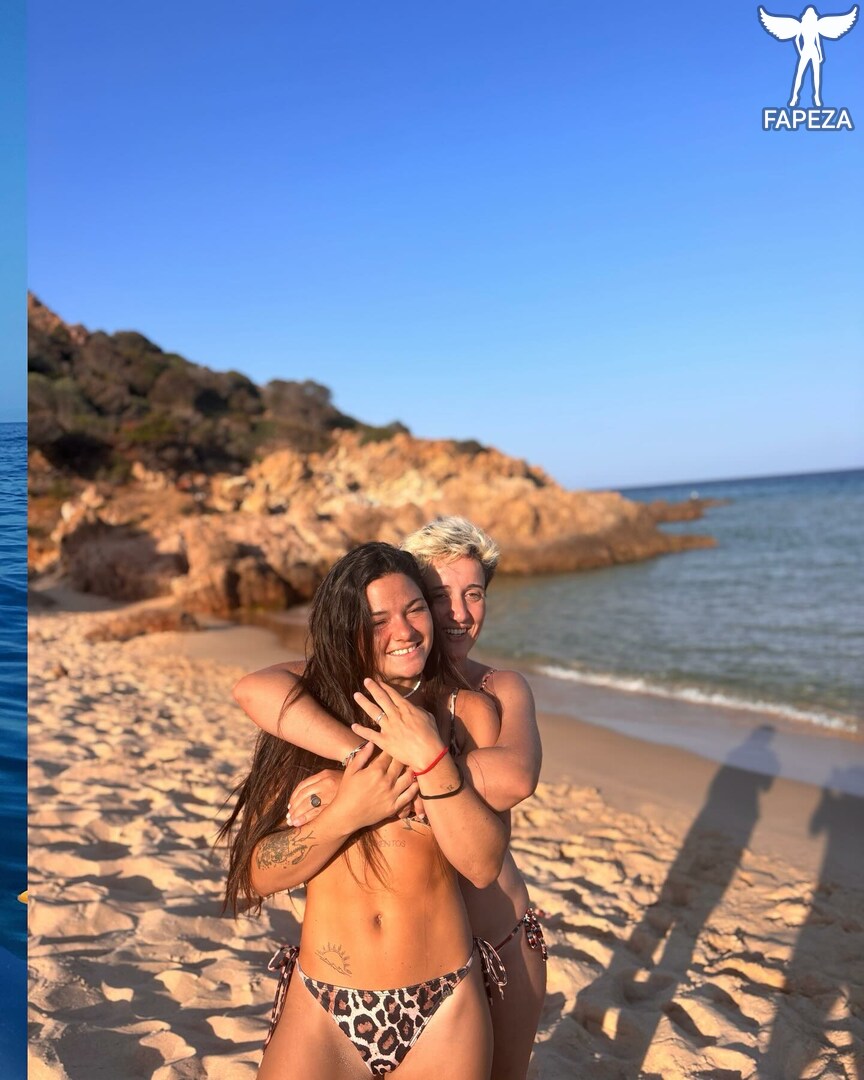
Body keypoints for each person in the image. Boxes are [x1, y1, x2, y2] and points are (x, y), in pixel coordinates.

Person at [233, 519, 546, 1080]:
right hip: (324, 999)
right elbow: (257, 873)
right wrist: (351, 799)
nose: (452, 614)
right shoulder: (308, 714)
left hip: (449, 994)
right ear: (349, 625)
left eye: (472, 594)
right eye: (381, 618)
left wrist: (419, 766)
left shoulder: (473, 706)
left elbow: (488, 847)